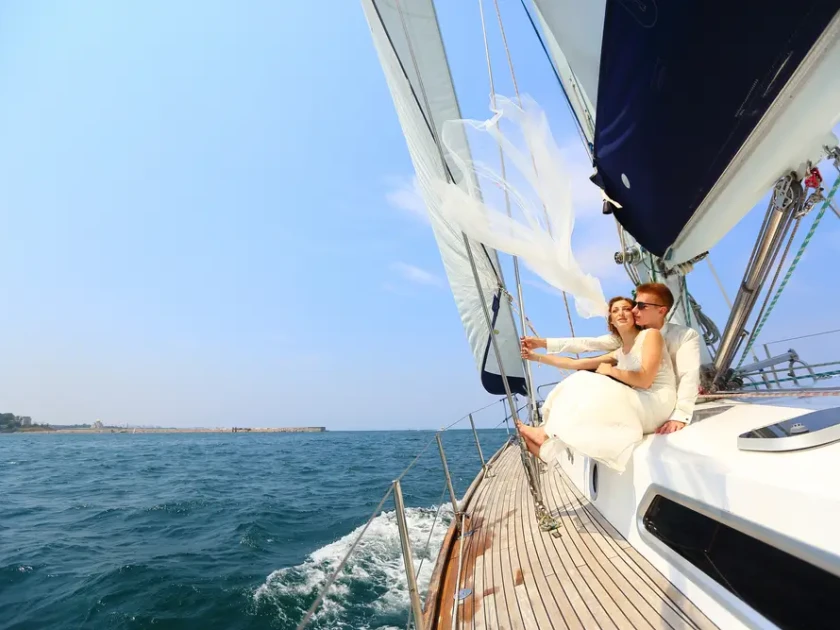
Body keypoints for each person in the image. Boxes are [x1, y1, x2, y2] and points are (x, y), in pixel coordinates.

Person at [517, 296, 676, 473]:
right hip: (641, 402)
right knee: (581, 377)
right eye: (615, 311)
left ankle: (544, 436)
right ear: (612, 321)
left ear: (634, 315)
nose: (621, 313)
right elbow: (575, 364)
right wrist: (536, 356)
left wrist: (611, 371)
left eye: (625, 309)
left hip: (658, 402)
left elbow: (645, 381)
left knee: (595, 383)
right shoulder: (619, 352)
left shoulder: (650, 335)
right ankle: (548, 438)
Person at [522, 282, 702, 434]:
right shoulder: (627, 340)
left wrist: (681, 415)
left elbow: (688, 375)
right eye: (634, 304)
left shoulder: (684, 335)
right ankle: (548, 431)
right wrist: (540, 347)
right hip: (642, 395)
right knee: (583, 380)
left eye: (640, 306)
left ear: (661, 311)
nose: (633, 310)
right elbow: (587, 345)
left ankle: (548, 433)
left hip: (664, 400)